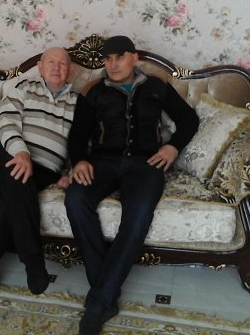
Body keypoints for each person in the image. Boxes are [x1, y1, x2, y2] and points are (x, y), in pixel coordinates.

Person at [64, 35, 199, 335]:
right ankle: (106, 293)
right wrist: (80, 161)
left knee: (138, 213)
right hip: (102, 162)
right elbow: (78, 133)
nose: (112, 64)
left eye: (119, 57)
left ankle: (97, 303)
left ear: (134, 57)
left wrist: (173, 146)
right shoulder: (93, 91)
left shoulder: (156, 86)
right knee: (75, 198)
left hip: (145, 164)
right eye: (107, 59)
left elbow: (189, 120)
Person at [0, 47, 77, 305]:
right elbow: (6, 120)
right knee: (18, 177)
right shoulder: (24, 87)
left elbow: (81, 142)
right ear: (40, 66)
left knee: (2, 204)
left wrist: (72, 170)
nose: (56, 67)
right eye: (50, 62)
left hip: (44, 169)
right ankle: (33, 260)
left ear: (70, 70)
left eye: (62, 63)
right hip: (7, 153)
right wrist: (21, 152)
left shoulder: (78, 102)